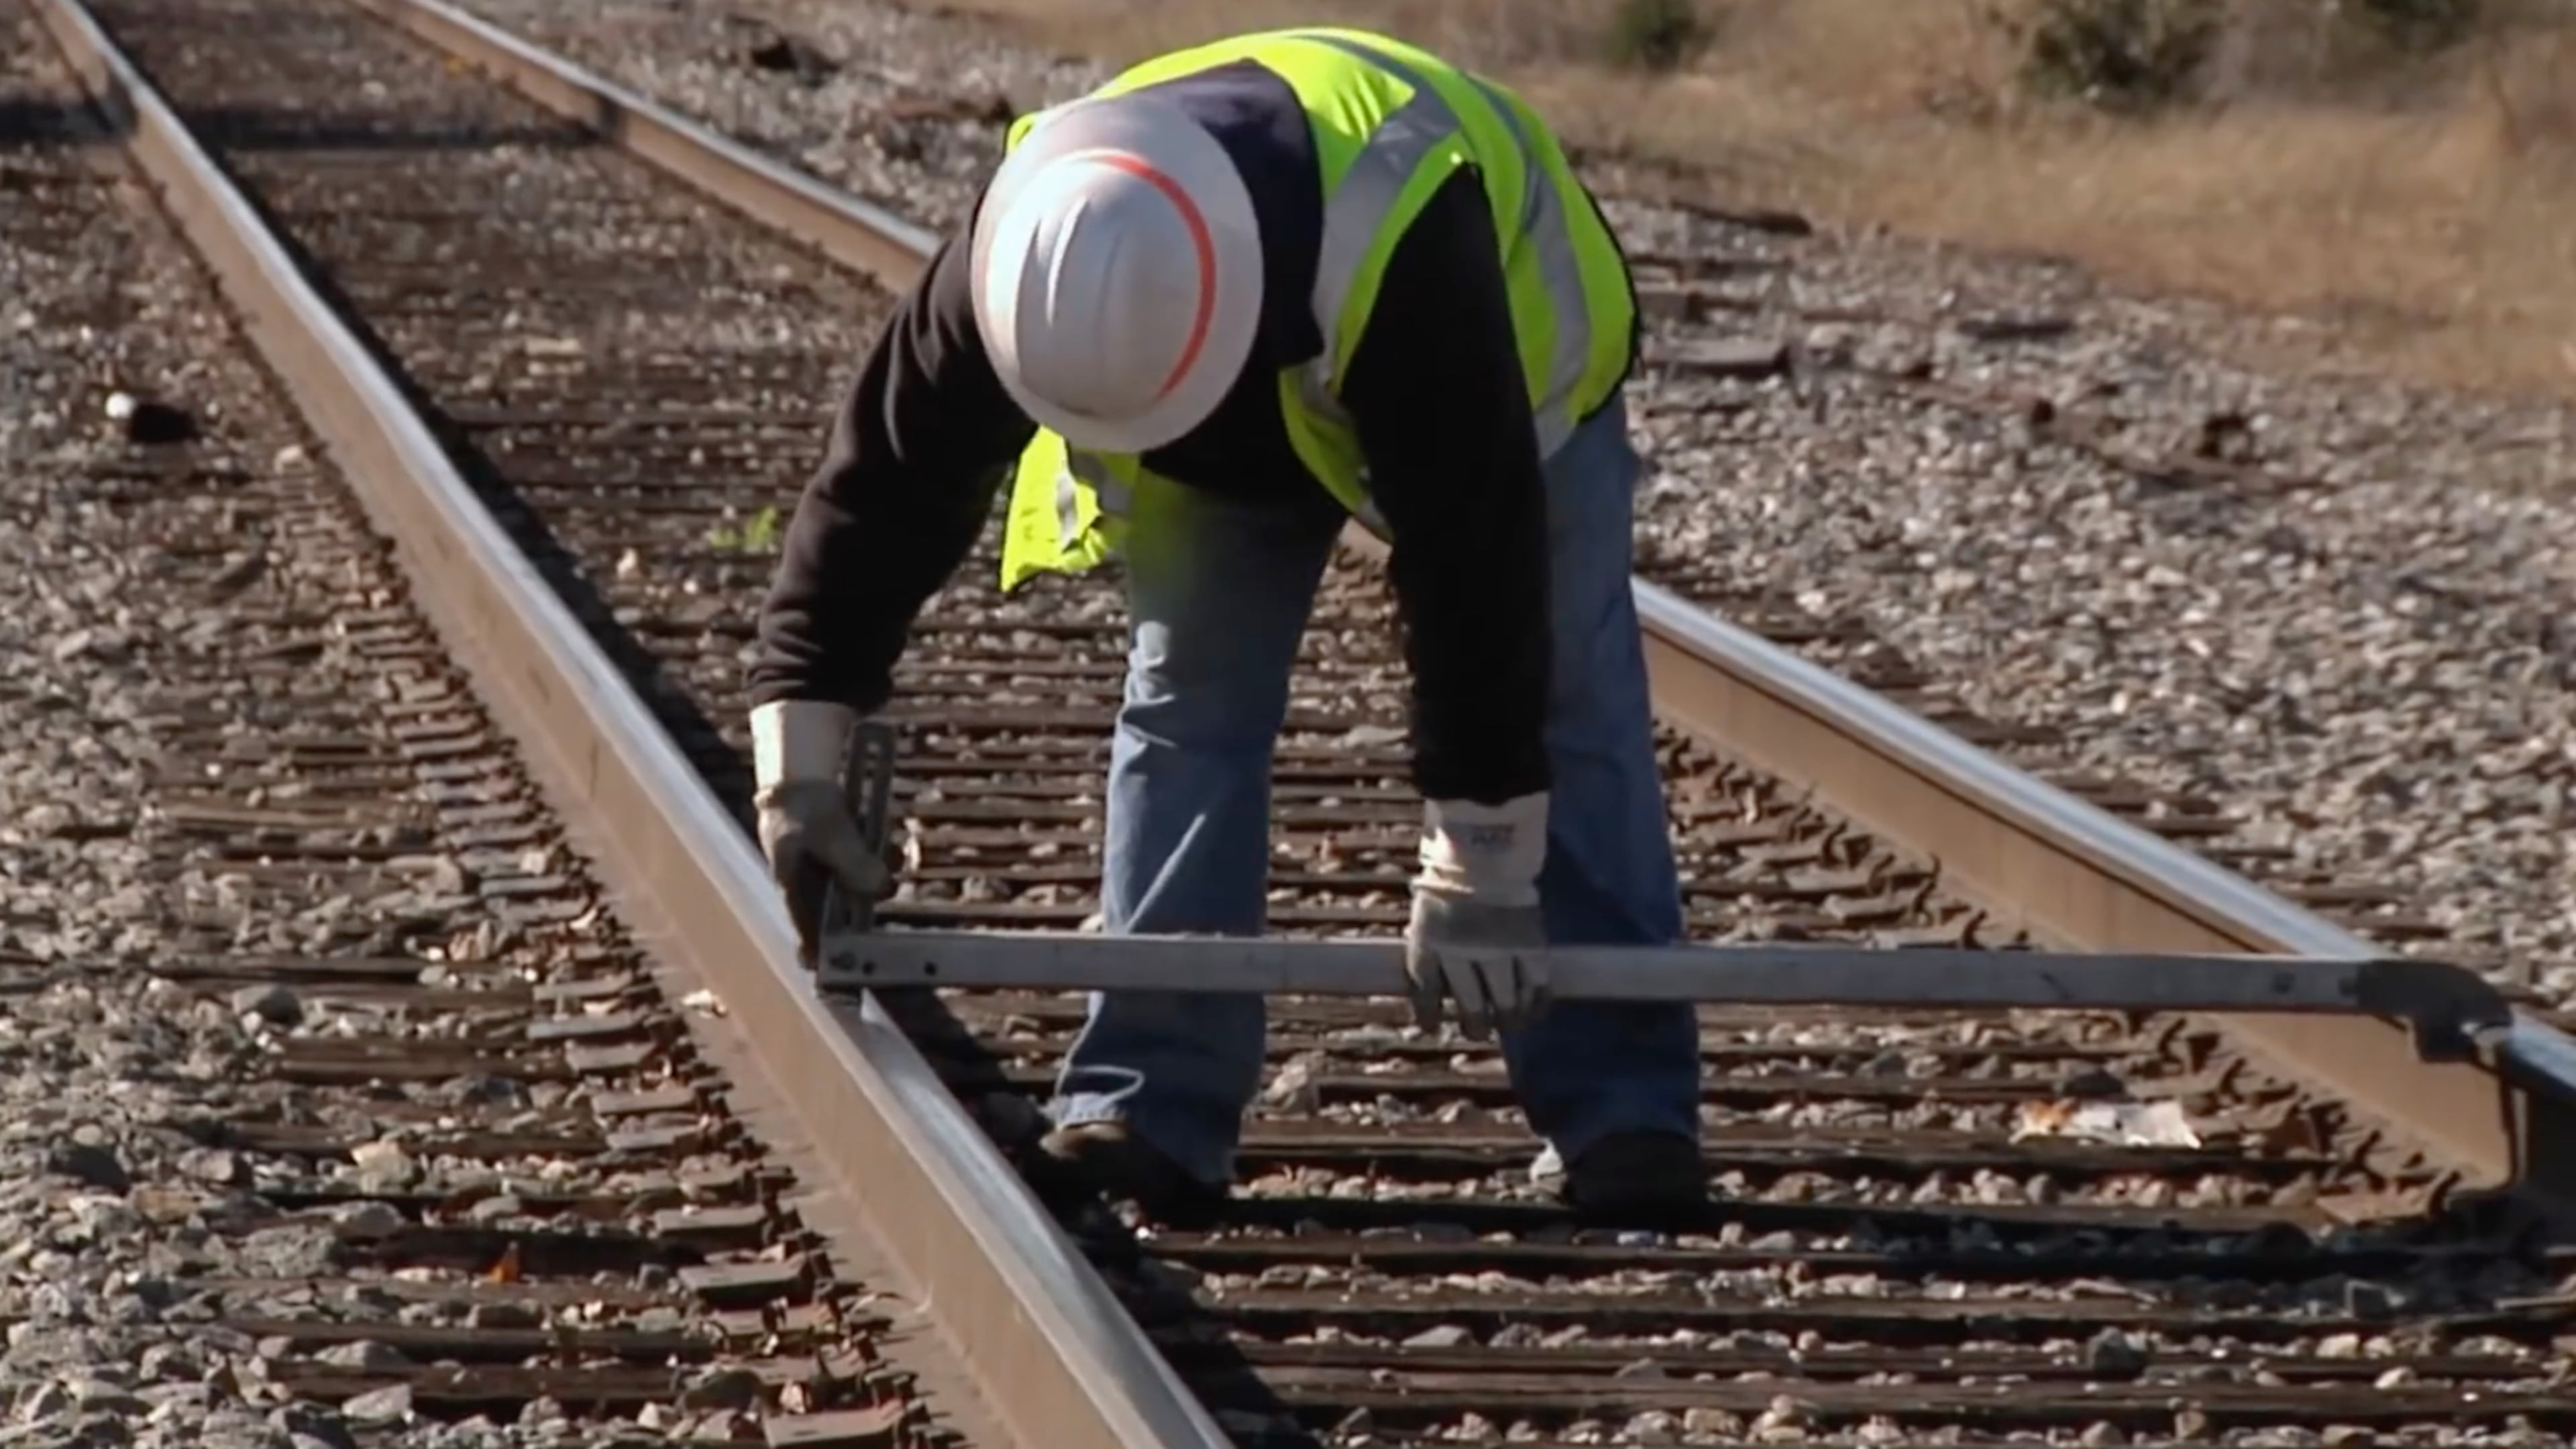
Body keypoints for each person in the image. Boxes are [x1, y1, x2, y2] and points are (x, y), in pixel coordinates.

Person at [744, 25, 1706, 1224]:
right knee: (1188, 700)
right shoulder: (1025, 246)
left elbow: (1475, 571)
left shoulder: (1402, 244)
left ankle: (1627, 1113)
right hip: (1255, 362)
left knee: (1569, 699)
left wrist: (1481, 858)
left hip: (1519, 381)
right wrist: (801, 756)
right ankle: (1149, 1104)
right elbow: (885, 487)